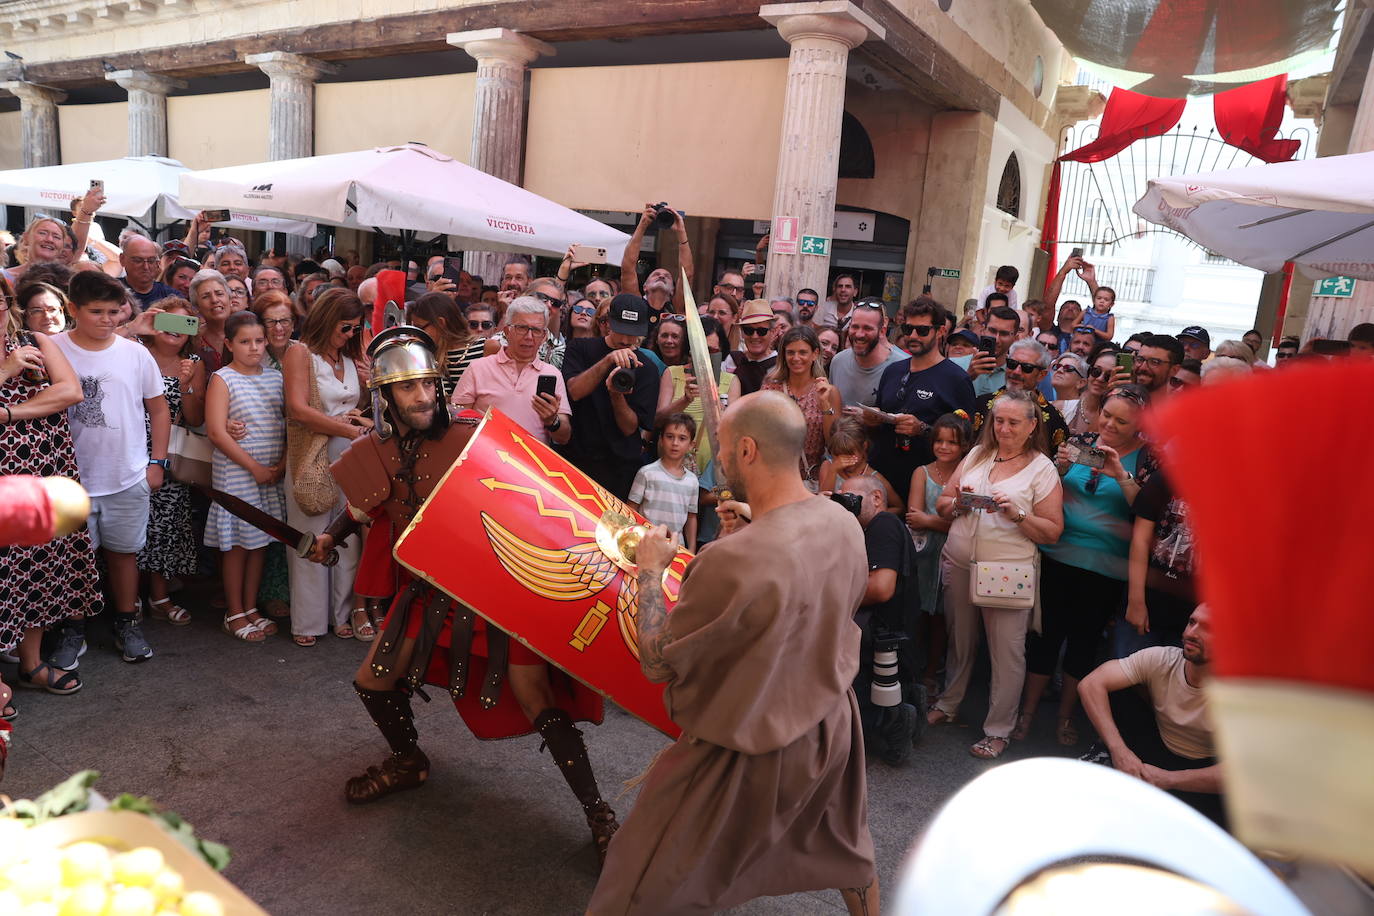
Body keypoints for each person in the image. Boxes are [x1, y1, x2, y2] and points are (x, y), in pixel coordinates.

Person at [309, 327, 619, 861]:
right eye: (408, 389)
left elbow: (536, 499)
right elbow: (366, 505)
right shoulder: (377, 449)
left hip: (491, 588)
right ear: (385, 397)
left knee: (535, 695)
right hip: (425, 591)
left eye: (428, 384)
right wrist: (330, 537)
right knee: (372, 683)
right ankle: (409, 761)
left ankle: (600, 814)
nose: (423, 396)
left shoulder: (475, 435)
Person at [590, 390, 878, 916]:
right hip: (831, 724)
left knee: (636, 883)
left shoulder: (730, 559)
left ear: (747, 450)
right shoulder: (842, 522)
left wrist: (651, 570)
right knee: (848, 850)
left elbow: (656, 661)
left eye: (719, 447)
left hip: (744, 745)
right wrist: (759, 528)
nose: (714, 458)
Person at [927, 390, 1064, 760]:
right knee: (961, 639)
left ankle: (998, 729)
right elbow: (941, 503)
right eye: (999, 420)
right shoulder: (977, 454)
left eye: (1013, 422)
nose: (1003, 428)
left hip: (1006, 568)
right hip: (959, 560)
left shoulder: (1042, 468)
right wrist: (958, 502)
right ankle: (949, 702)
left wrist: (1017, 513)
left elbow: (1052, 531)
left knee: (1007, 652)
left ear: (1032, 426)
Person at [1014, 385, 1150, 746]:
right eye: (1107, 414)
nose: (1110, 424)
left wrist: (1120, 474)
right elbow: (1049, 494)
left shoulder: (1147, 457)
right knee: (1045, 636)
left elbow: (1147, 511)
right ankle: (1026, 712)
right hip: (1058, 556)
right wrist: (1057, 470)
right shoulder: (1081, 441)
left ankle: (1065, 717)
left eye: (1122, 420)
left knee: (1083, 643)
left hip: (1105, 569)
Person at [49, 270, 169, 664]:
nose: (106, 319)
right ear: (72, 309)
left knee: (124, 554)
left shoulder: (136, 353)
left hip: (127, 474)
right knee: (74, 560)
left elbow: (159, 407)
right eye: (96, 311)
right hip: (68, 480)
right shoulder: (52, 348)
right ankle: (74, 627)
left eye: (113, 312)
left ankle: (126, 621)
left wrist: (157, 461)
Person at [0, 300, 97, 697]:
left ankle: (32, 664)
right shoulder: (16, 357)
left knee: (39, 568)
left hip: (44, 472)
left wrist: (8, 414)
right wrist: (6, 370)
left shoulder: (33, 340)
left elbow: (70, 391)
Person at [1079, 605, 1224, 825]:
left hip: (1201, 771)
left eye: (1207, 628)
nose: (1191, 633)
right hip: (1156, 748)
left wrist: (1169, 780)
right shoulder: (1162, 658)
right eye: (1192, 622)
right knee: (1117, 690)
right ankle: (1108, 756)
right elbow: (1090, 684)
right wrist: (1120, 752)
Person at [282, 288, 370, 646]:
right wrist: (349, 428)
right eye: (345, 327)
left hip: (349, 453)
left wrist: (367, 383)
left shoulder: (348, 357)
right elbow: (298, 411)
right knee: (310, 534)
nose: (350, 334)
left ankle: (342, 614)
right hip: (312, 452)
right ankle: (308, 621)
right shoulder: (300, 352)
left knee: (345, 535)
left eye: (356, 329)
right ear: (327, 320)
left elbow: (357, 405)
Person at [206, 311, 286, 642]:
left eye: (258, 341)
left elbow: (285, 423)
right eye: (244, 342)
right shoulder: (223, 378)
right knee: (238, 543)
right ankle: (234, 610)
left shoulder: (275, 377)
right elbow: (216, 431)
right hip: (238, 472)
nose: (253, 348)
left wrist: (279, 466)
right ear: (229, 343)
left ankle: (251, 607)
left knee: (260, 542)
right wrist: (254, 467)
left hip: (271, 471)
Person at [839, 473, 921, 767]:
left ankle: (893, 721)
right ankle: (903, 707)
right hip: (884, 629)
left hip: (878, 630)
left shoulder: (883, 524)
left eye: (851, 499)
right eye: (841, 499)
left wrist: (832, 597)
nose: (845, 507)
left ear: (876, 498)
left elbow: (880, 588)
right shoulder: (870, 527)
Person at [137, 297, 205, 627]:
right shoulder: (136, 353)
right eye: (170, 322)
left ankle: (159, 597)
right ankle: (126, 596)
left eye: (184, 324)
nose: (176, 331)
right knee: (130, 525)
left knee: (165, 526)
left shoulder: (192, 362)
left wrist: (188, 384)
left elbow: (194, 418)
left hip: (169, 455)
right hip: (129, 450)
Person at [869, 298, 976, 502]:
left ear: (941, 331)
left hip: (926, 486)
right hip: (883, 478)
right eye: (908, 329)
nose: (913, 336)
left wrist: (923, 428)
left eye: (923, 330)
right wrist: (872, 419)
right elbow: (881, 416)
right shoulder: (893, 371)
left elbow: (967, 438)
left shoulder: (956, 379)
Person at [561, 294, 659, 499]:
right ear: (608, 322)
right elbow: (574, 392)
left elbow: (630, 427)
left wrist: (616, 395)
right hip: (578, 460)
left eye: (632, 334)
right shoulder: (580, 348)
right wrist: (607, 360)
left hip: (620, 469)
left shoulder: (647, 368)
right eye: (621, 331)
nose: (625, 340)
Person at [904, 411, 971, 694]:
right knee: (918, 612)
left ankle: (934, 668)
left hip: (951, 553)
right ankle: (913, 669)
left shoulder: (968, 477)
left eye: (952, 442)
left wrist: (932, 521)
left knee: (942, 617)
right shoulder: (922, 472)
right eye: (939, 441)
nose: (944, 447)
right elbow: (913, 517)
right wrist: (939, 522)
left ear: (964, 446)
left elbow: (962, 523)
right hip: (923, 554)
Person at [451, 296, 572, 448]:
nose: (529, 337)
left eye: (535, 330)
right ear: (507, 331)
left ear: (544, 336)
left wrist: (552, 422)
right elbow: (456, 423)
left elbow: (564, 437)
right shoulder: (478, 368)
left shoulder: (553, 374)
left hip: (530, 467)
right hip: (485, 463)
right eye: (522, 328)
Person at [1124, 468, 1197, 653]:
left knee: (1178, 679)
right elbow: (1140, 540)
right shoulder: (1168, 476)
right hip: (1149, 601)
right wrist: (1136, 601)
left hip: (1195, 616)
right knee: (1127, 670)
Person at [761, 326, 840, 488]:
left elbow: (834, 444)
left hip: (810, 480)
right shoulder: (770, 388)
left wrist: (825, 404)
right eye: (790, 352)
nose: (796, 358)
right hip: (774, 478)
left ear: (815, 354)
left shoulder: (828, 391)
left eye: (803, 352)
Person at [969, 339, 1070, 456]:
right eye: (1012, 364)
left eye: (1027, 367)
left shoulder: (1054, 418)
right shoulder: (981, 404)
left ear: (1042, 375)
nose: (1016, 371)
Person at [628, 412, 699, 549]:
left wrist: (691, 549)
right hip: (645, 543)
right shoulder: (646, 473)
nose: (675, 443)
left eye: (682, 438)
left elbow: (691, 517)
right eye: (669, 436)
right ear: (661, 439)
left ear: (691, 445)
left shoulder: (692, 481)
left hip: (675, 548)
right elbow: (631, 508)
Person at [828, 299, 908, 407]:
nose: (859, 334)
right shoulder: (838, 361)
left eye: (867, 328)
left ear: (882, 331)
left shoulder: (903, 366)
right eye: (855, 327)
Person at [407, 292, 485, 401]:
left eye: (420, 328)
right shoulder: (425, 355)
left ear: (440, 323)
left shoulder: (485, 348)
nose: (415, 334)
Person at [818, 415, 902, 511]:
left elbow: (899, 507)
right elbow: (822, 503)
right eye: (837, 455)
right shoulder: (828, 467)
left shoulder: (874, 477)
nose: (843, 460)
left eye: (850, 454)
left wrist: (873, 517)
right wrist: (832, 471)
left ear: (864, 446)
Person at [722, 298, 778, 395]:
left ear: (772, 332)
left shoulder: (779, 365)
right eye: (749, 330)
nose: (754, 336)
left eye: (761, 331)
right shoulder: (731, 360)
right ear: (742, 333)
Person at [188, 269, 232, 374]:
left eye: (219, 294)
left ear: (230, 299)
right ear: (197, 306)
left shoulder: (247, 330)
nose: (214, 300)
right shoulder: (192, 339)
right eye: (206, 296)